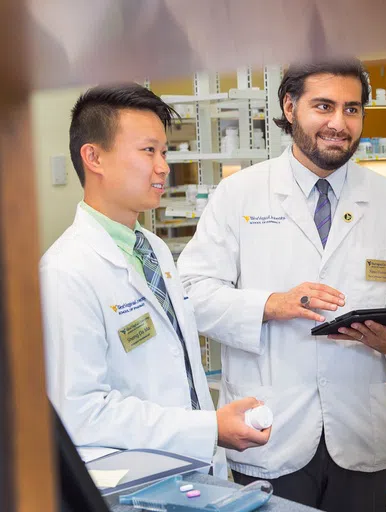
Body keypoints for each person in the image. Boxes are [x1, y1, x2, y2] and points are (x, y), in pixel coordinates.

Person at [177, 59, 386, 511]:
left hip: (363, 429)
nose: (339, 123)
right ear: (290, 106)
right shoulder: (240, 194)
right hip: (270, 431)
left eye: (352, 109)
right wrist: (271, 304)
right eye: (324, 106)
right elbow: (191, 294)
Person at [40, 84, 271, 476]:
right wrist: (207, 428)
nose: (163, 166)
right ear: (93, 157)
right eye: (149, 151)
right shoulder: (65, 272)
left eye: (164, 152)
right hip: (135, 483)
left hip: (190, 470)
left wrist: (206, 429)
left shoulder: (153, 248)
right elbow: (81, 412)